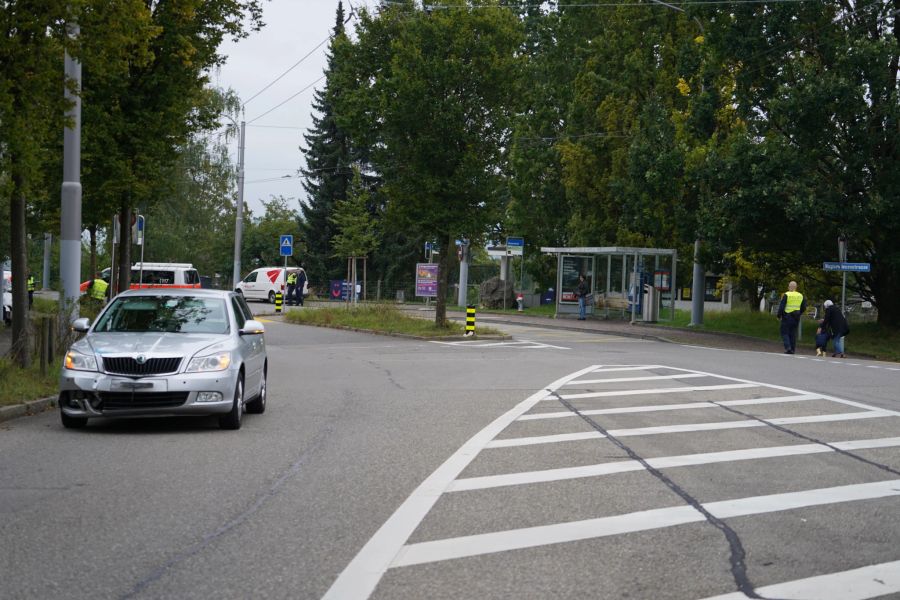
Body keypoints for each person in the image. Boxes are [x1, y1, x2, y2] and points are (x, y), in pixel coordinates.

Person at [776, 280, 807, 354]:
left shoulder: (787, 294)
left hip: (787, 316)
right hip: (796, 317)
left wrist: (779, 315)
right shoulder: (800, 295)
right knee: (793, 334)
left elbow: (782, 307)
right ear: (796, 287)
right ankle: (792, 349)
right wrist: (799, 313)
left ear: (789, 287)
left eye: (788, 286)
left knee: (784, 332)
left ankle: (788, 348)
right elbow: (804, 307)